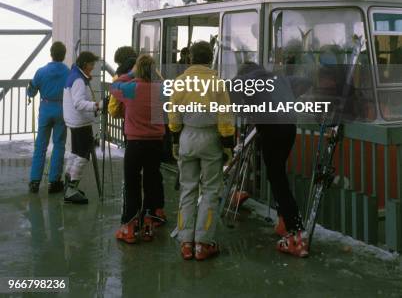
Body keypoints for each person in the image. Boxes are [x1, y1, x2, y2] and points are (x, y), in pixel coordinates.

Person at [169, 40, 235, 261]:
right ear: (210, 60)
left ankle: (186, 242)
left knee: (187, 189)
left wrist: (176, 141)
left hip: (187, 136)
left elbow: (173, 118)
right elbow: (225, 119)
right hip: (210, 139)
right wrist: (228, 147)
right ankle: (203, 243)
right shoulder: (217, 84)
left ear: (190, 59)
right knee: (210, 191)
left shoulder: (179, 83)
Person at [236, 61, 309, 258]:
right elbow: (306, 81)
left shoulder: (249, 79)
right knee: (278, 176)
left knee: (278, 180)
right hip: (289, 128)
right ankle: (284, 221)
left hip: (272, 129)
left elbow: (232, 92)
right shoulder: (278, 78)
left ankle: (295, 234)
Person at [111, 54, 166, 244]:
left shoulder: (130, 88)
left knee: (132, 184)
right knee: (151, 182)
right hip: (156, 143)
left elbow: (114, 85)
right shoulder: (160, 89)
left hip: (135, 143)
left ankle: (130, 227)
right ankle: (149, 224)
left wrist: (130, 73)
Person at [27, 41, 69, 194]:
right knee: (59, 145)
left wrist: (30, 90)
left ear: (51, 54)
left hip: (45, 109)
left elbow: (31, 92)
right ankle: (54, 181)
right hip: (61, 110)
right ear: (64, 55)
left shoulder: (41, 71)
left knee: (41, 145)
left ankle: (34, 181)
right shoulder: (68, 72)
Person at [63, 51, 103, 204]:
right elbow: (79, 103)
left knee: (75, 152)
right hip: (80, 122)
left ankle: (68, 183)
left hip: (74, 121)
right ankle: (72, 189)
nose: (93, 67)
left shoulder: (73, 76)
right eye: (92, 64)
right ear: (85, 64)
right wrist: (96, 105)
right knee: (83, 155)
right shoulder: (79, 80)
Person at [108, 46, 138, 119]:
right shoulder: (150, 71)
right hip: (154, 124)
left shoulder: (119, 78)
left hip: (130, 121)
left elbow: (113, 110)